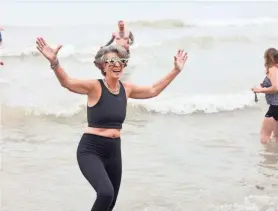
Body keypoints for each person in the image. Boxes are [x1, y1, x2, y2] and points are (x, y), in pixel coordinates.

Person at [35, 36, 187, 211]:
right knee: (105, 193)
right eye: (112, 61)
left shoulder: (126, 89)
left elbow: (153, 90)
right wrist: (55, 62)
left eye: (121, 60)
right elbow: (67, 83)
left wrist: (175, 70)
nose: (117, 64)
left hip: (114, 151)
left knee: (111, 201)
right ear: (103, 66)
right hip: (91, 149)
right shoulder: (95, 87)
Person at [252, 47, 278, 144]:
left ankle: (266, 158)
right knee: (276, 136)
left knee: (264, 135)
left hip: (275, 106)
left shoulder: (273, 69)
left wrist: (260, 90)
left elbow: (276, 88)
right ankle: (274, 155)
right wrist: (266, 85)